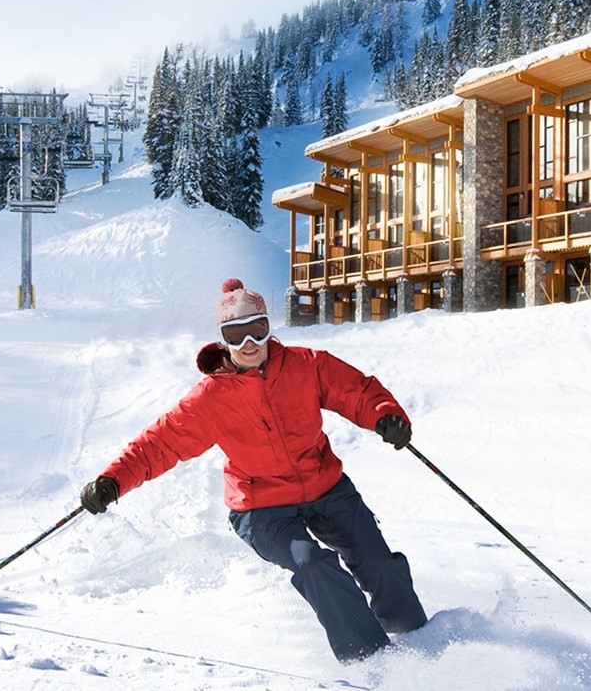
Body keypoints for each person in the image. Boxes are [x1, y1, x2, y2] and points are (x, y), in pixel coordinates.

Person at [78, 278, 426, 663]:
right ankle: (375, 663)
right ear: (223, 340)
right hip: (261, 508)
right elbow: (159, 445)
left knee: (377, 562)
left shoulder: (305, 366)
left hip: (326, 487)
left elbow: (356, 391)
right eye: (236, 335)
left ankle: (420, 642)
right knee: (313, 564)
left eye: (257, 331)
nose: (249, 345)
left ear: (268, 328)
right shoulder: (210, 397)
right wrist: (112, 481)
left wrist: (385, 416)